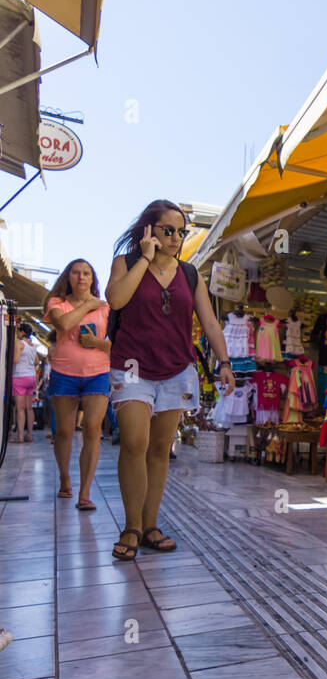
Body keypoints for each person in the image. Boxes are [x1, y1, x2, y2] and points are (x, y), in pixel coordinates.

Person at [105, 200, 234, 562]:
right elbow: (115, 300)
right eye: (168, 230)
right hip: (131, 365)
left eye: (182, 231)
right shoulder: (127, 263)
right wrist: (145, 258)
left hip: (177, 368)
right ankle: (130, 526)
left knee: (161, 450)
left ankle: (149, 525)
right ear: (149, 230)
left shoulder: (191, 274)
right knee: (134, 442)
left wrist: (224, 362)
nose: (177, 237)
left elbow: (209, 323)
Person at [44, 261, 111, 508]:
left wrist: (96, 343)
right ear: (68, 277)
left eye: (86, 273)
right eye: (76, 272)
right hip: (64, 372)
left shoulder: (105, 307)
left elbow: (117, 343)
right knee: (64, 431)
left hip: (98, 372)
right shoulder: (57, 304)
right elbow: (63, 324)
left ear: (93, 279)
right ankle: (64, 479)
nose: (81, 277)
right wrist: (87, 306)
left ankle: (85, 493)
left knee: (93, 429)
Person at [11, 323, 38, 442]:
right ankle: (29, 435)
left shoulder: (19, 343)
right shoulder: (32, 345)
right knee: (29, 408)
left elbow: (16, 359)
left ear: (22, 332)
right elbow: (36, 362)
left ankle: (20, 436)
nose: (17, 333)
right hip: (31, 377)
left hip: (19, 377)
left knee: (20, 409)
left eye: (18, 331)